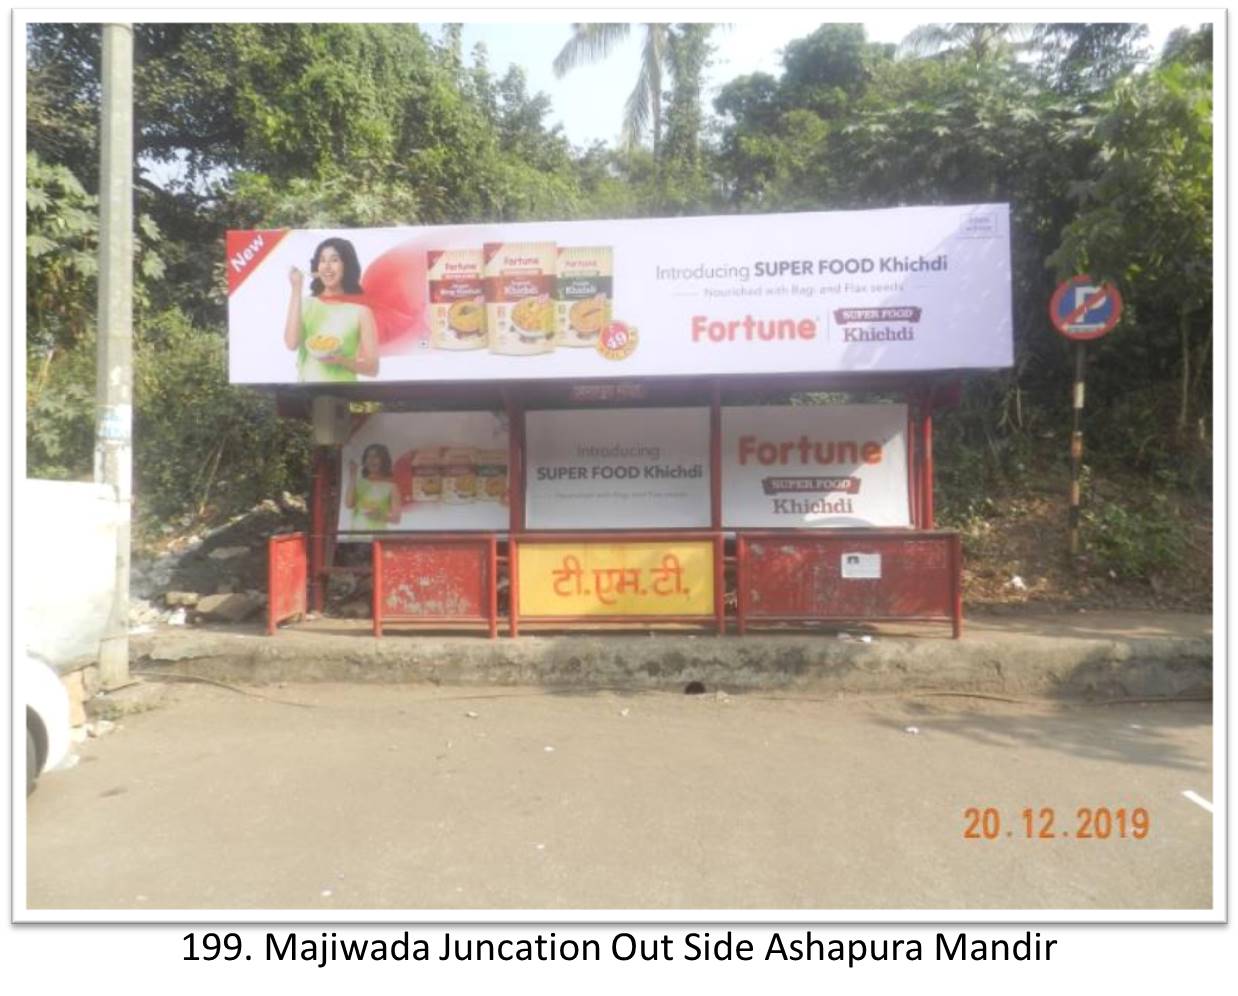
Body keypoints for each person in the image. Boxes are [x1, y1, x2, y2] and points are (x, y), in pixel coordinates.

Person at [284, 237, 379, 382]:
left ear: (346, 265)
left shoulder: (361, 311)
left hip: (344, 393)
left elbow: (372, 368)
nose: (327, 266)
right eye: (322, 260)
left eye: (334, 260)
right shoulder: (305, 304)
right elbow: (291, 344)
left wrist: (341, 360)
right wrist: (296, 288)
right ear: (317, 267)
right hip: (306, 394)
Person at [345, 444, 401, 530]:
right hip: (357, 533)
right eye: (368, 457)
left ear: (384, 460)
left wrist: (380, 516)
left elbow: (396, 519)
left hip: (378, 535)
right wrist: (353, 476)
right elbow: (349, 504)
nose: (371, 460)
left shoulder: (392, 487)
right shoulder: (359, 483)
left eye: (376, 456)